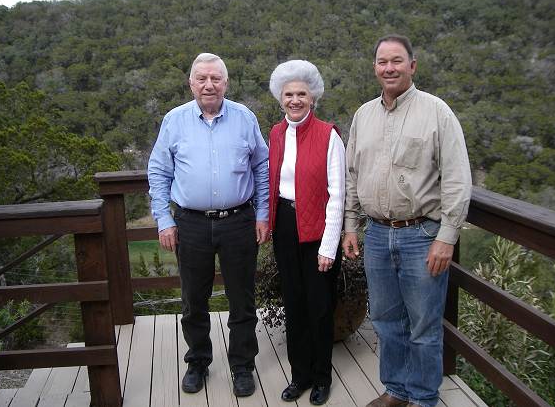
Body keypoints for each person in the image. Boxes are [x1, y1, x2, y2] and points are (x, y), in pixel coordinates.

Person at [342, 34, 472, 407]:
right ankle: (397, 391)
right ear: (375, 68)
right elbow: (353, 175)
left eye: (397, 61)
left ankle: (424, 398)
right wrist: (352, 225)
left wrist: (447, 237)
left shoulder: (437, 112)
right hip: (378, 235)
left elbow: (458, 179)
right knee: (385, 320)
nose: (389, 68)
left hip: (422, 236)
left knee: (424, 326)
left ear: (412, 66)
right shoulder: (363, 115)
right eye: (382, 62)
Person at [147, 53, 269, 398]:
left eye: (215, 78)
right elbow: (158, 172)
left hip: (239, 221)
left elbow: (262, 167)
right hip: (191, 224)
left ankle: (242, 365)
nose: (209, 85)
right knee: (193, 299)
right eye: (201, 79)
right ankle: (197, 361)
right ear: (191, 83)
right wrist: (164, 218)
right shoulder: (174, 120)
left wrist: (262, 214)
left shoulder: (245, 118)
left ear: (226, 83)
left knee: (242, 300)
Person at [268, 60, 345, 406]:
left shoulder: (329, 135)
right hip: (285, 225)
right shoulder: (276, 133)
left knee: (318, 307)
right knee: (294, 304)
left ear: (313, 97)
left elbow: (338, 194)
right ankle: (299, 375)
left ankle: (322, 377)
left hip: (317, 230)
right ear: (280, 98)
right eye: (289, 94)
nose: (295, 100)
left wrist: (329, 246)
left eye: (302, 93)